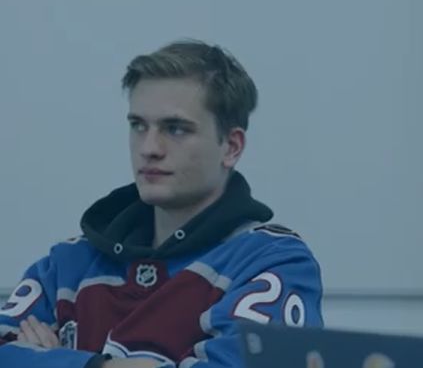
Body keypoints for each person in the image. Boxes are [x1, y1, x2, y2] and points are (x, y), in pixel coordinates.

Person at [0, 40, 323, 368]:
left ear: (231, 147)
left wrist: (59, 361)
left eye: (176, 129)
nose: (149, 147)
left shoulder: (272, 261)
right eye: (138, 126)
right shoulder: (67, 264)